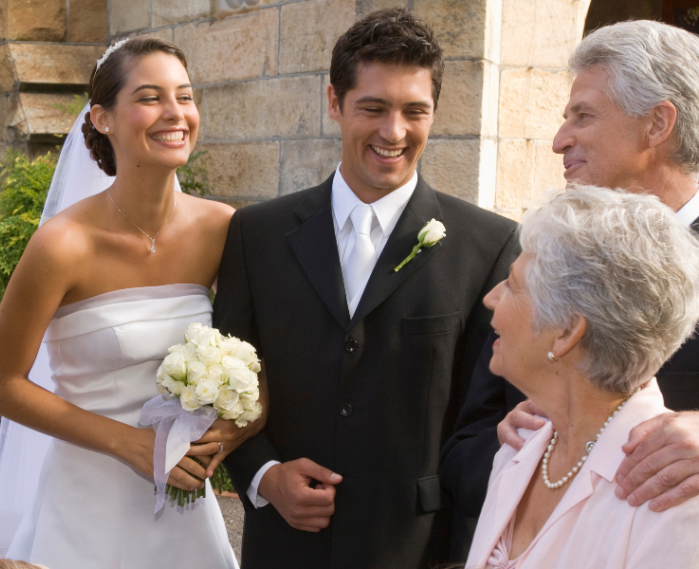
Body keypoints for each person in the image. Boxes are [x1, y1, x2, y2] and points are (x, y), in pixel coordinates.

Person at [212, 8, 519, 568]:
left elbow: (488, 414)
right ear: (334, 102)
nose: (393, 132)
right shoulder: (255, 234)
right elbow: (230, 383)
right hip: (285, 544)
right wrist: (265, 475)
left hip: (420, 548)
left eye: (414, 111)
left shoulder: (490, 245)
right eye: (373, 108)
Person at [0, 37, 261, 568]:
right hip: (86, 506)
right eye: (151, 98)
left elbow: (264, 357)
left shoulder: (223, 228)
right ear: (103, 117)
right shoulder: (63, 245)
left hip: (184, 505)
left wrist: (225, 434)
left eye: (185, 96)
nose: (175, 113)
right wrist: (129, 444)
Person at [441, 20, 699, 557]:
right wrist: (514, 451)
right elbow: (464, 450)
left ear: (658, 124)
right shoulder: (542, 256)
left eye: (583, 116)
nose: (560, 140)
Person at [464, 186, 699, 568]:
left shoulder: (672, 501)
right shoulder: (521, 444)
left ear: (566, 331)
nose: (491, 298)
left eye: (512, 285)